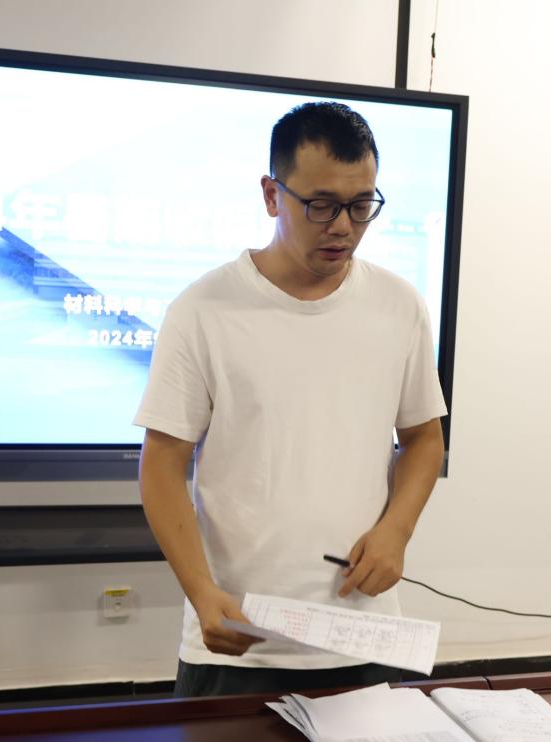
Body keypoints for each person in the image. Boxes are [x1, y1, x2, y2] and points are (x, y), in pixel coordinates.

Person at [134, 101, 447, 697]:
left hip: (363, 635)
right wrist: (201, 592)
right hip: (238, 638)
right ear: (272, 195)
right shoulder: (202, 310)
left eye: (361, 206)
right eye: (321, 205)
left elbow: (424, 438)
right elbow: (162, 465)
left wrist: (397, 531)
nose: (343, 227)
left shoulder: (398, 305)